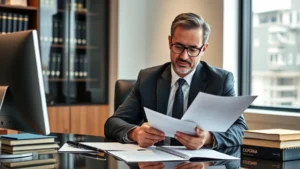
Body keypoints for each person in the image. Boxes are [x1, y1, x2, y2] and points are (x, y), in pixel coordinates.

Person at [105, 13, 248, 150]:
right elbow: (112, 123)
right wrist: (135, 133)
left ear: (204, 48)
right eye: (178, 46)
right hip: (154, 162)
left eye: (193, 49)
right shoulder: (147, 79)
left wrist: (208, 138)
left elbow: (241, 130)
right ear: (169, 42)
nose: (184, 56)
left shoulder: (220, 81)